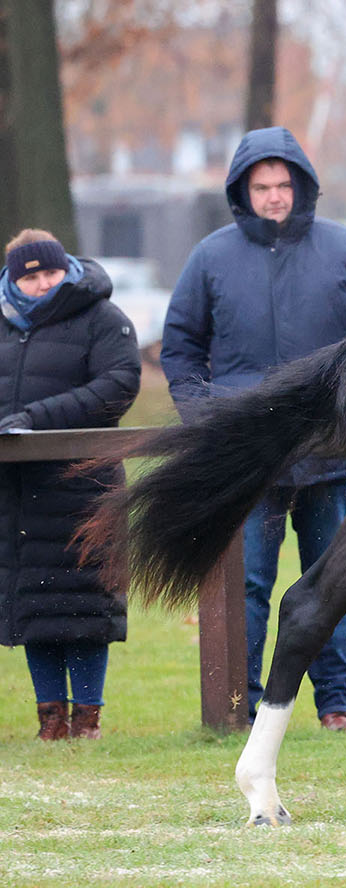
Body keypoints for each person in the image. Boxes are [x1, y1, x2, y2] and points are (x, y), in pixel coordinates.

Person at [161, 126, 346, 733]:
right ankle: (241, 703)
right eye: (261, 186)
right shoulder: (210, 257)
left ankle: (335, 704)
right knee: (249, 586)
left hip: (331, 454)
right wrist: (206, 420)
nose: (273, 196)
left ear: (302, 186)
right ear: (242, 190)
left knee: (334, 583)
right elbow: (182, 348)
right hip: (251, 460)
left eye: (282, 184)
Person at [0, 230, 140, 739]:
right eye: (30, 276)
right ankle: (49, 720)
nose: (41, 284)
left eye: (49, 273)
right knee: (31, 604)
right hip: (16, 492)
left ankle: (87, 719)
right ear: (14, 279)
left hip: (85, 485)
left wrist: (33, 419)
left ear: (67, 270)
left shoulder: (104, 320)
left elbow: (118, 386)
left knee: (84, 605)